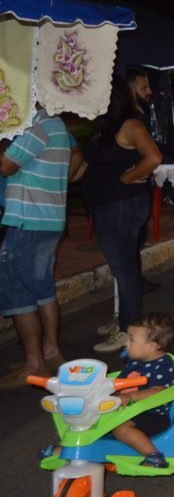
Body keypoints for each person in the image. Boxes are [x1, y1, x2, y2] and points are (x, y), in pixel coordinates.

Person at [77, 76, 163, 352]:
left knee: (125, 271)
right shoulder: (107, 126)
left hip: (121, 206)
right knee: (124, 268)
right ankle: (124, 322)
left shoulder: (131, 124)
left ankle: (128, 332)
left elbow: (154, 157)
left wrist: (128, 178)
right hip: (111, 207)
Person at [0, 109, 73, 389]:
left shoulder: (37, 127)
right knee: (42, 289)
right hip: (48, 220)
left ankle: (34, 365)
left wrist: (6, 137)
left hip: (27, 221)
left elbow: (6, 165)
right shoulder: (57, 126)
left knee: (18, 291)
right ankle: (51, 352)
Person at [109, 312, 174, 468]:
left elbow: (157, 391)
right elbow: (121, 383)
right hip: (129, 409)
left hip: (152, 415)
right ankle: (73, 449)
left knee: (119, 428)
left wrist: (131, 396)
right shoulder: (134, 362)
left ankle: (153, 455)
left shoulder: (164, 366)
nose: (126, 344)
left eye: (131, 340)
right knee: (89, 415)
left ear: (153, 346)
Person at [125, 67, 156, 135]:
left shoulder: (142, 112)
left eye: (149, 87)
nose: (150, 91)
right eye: (144, 88)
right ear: (131, 91)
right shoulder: (131, 120)